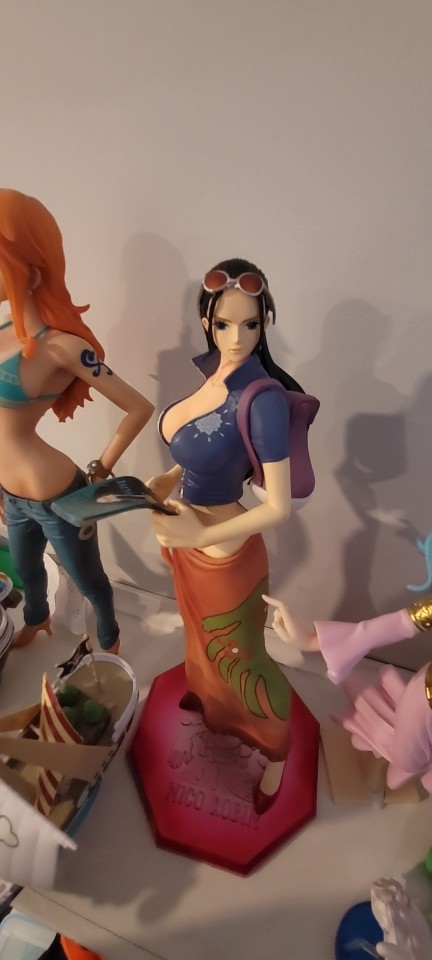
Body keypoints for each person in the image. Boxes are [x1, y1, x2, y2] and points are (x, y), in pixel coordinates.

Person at [149, 257, 311, 812]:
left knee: (244, 659)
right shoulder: (214, 378)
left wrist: (196, 532)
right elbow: (205, 447)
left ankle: (277, 752)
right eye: (224, 324)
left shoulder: (262, 399)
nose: (237, 337)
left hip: (223, 548)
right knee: (196, 637)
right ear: (206, 322)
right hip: (185, 535)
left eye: (250, 324)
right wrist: (169, 478)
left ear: (266, 323)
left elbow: (279, 507)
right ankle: (208, 701)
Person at [0, 188, 154, 654]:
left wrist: (101, 469)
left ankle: (109, 640)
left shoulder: (63, 348)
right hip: (11, 494)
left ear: (32, 270)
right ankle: (38, 621)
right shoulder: (4, 330)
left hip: (57, 496)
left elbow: (139, 406)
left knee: (89, 580)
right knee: (29, 570)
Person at [264, 592, 432, 791]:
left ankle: (381, 756)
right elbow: (404, 622)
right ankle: (378, 758)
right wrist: (313, 641)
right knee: (407, 760)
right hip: (424, 702)